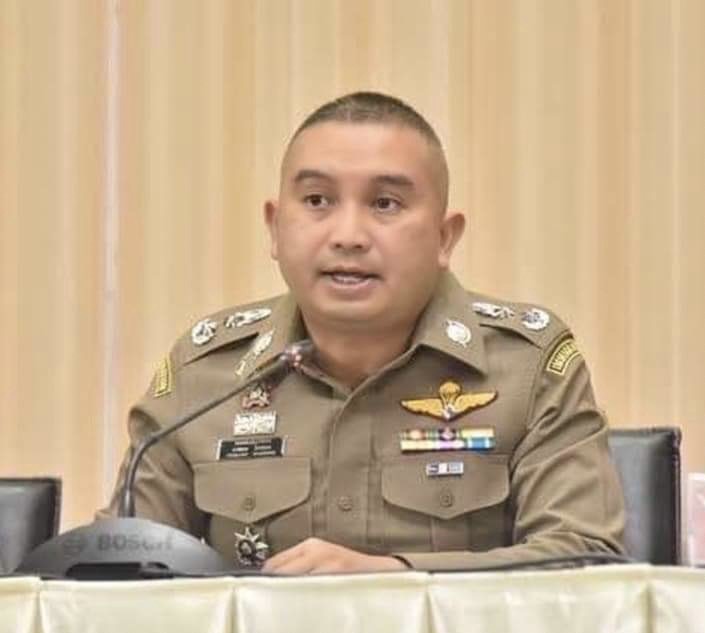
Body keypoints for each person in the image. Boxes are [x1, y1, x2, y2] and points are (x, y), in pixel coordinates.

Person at [99, 92, 625, 573]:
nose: (348, 236)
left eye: (384, 204)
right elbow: (120, 567)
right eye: (317, 201)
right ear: (275, 228)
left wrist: (395, 577)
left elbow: (581, 559)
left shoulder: (526, 368)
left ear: (444, 237)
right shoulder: (205, 375)